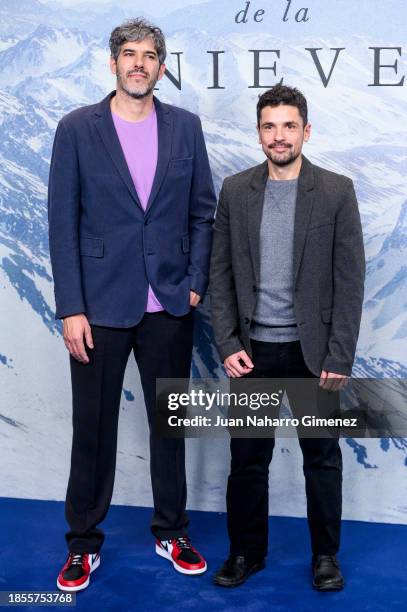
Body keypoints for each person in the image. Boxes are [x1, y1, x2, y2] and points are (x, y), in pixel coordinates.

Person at [48, 18, 216, 592]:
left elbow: (202, 211)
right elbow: (61, 225)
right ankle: (83, 544)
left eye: (149, 55)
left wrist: (194, 283)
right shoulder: (76, 129)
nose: (139, 63)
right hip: (98, 307)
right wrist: (70, 306)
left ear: (162, 67)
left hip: (169, 304)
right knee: (92, 429)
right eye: (129, 54)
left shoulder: (186, 128)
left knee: (170, 427)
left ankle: (173, 530)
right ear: (113, 63)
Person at [209, 84, 365, 590]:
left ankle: (325, 557)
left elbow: (350, 280)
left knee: (322, 459)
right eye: (269, 126)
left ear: (306, 131)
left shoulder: (337, 191)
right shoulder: (235, 190)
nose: (279, 136)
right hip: (253, 355)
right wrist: (229, 343)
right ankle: (245, 554)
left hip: (314, 355)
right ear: (258, 134)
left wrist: (340, 354)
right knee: (248, 461)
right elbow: (221, 275)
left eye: (289, 125)